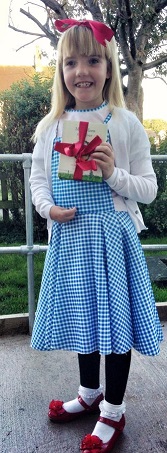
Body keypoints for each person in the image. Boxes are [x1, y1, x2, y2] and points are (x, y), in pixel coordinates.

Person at [29, 18, 163, 453]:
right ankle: (89, 394)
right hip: (70, 239)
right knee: (86, 320)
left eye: (92, 60)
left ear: (108, 68)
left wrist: (112, 173)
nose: (81, 70)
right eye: (71, 62)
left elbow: (148, 188)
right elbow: (38, 183)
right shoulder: (51, 126)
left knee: (115, 326)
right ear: (61, 71)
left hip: (112, 240)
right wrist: (49, 209)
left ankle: (114, 409)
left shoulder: (123, 123)